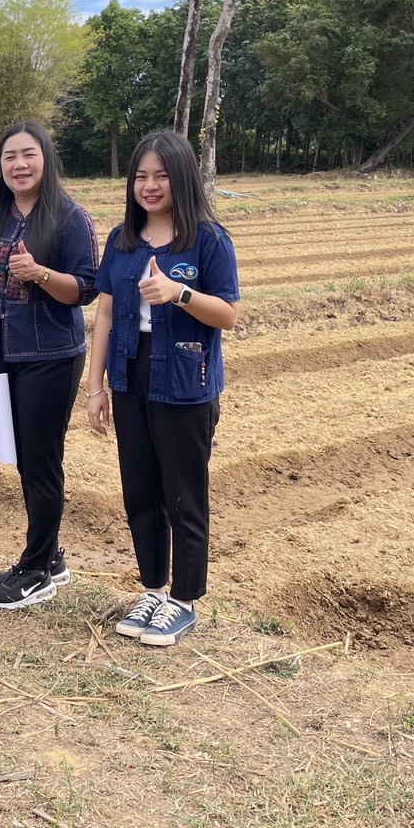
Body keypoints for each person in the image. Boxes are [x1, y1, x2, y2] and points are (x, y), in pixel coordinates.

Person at [85, 130, 240, 646]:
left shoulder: (208, 240)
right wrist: (96, 387)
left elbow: (229, 315)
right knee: (141, 490)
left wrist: (180, 292)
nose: (149, 186)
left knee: (183, 494)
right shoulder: (122, 241)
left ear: (182, 178)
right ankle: (153, 587)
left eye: (161, 176)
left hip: (185, 378)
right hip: (130, 373)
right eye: (140, 177)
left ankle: (184, 599)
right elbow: (104, 313)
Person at [0, 122, 98, 609]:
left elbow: (85, 289)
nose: (18, 165)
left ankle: (37, 567)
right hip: (4, 355)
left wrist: (41, 273)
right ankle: (52, 557)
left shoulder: (68, 217)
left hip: (52, 356)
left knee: (41, 460)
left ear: (46, 158)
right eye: (9, 157)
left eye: (28, 154)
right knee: (26, 457)